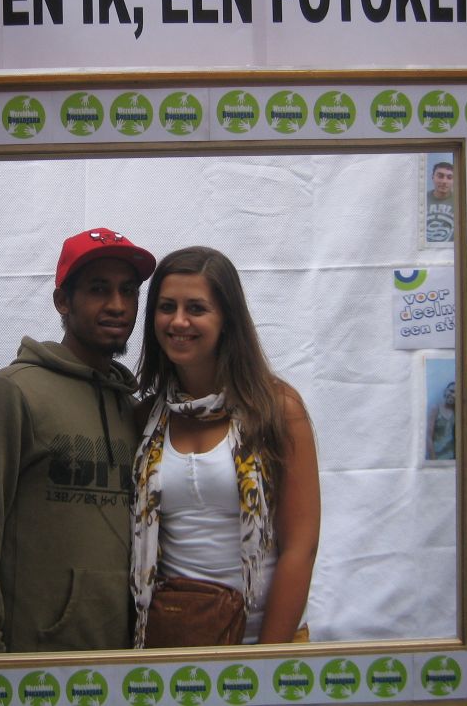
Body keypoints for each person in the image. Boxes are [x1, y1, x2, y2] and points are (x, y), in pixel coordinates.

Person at [0, 227, 155, 653]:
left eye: (129, 291)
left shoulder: (134, 411)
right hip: (30, 665)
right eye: (99, 289)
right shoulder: (12, 393)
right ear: (63, 300)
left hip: (122, 663)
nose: (117, 305)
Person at [130, 246, 320, 647]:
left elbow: (299, 548)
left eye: (196, 308)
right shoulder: (146, 418)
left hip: (263, 643)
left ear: (227, 319)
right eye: (167, 307)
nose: (178, 321)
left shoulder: (278, 409)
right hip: (174, 647)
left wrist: (265, 661)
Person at [425, 161, 455, 243]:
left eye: (449, 177)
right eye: (440, 176)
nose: (444, 181)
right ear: (432, 177)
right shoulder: (421, 199)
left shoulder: (460, 203)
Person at [426, 381, 456, 460]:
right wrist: (433, 459)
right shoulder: (435, 408)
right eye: (451, 391)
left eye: (457, 394)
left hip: (451, 458)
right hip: (436, 456)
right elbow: (428, 436)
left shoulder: (456, 413)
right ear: (445, 391)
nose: (453, 395)